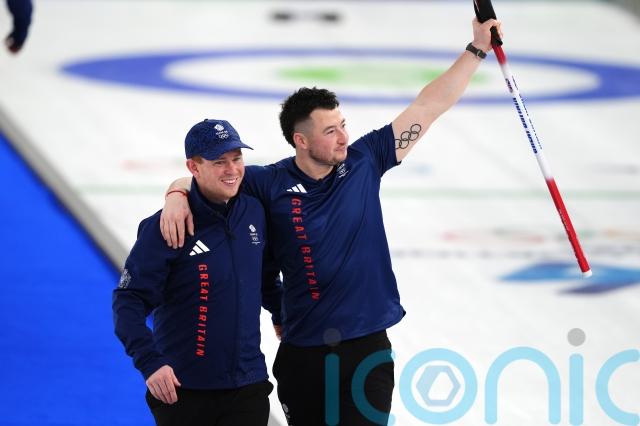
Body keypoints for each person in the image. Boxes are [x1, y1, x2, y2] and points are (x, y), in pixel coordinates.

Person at [160, 18, 501, 425]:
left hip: (366, 350)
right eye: (330, 131)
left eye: (343, 126)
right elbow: (211, 178)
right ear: (301, 140)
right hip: (304, 354)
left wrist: (477, 49)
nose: (343, 137)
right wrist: (177, 193)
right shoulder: (269, 183)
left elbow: (428, 106)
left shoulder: (365, 161)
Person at [112, 119, 282, 426]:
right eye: (219, 162)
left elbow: (264, 276)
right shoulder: (167, 226)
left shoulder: (255, 211)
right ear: (193, 167)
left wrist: (283, 314)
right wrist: (150, 363)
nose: (232, 170)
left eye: (237, 159)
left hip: (248, 385)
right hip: (184, 391)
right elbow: (128, 300)